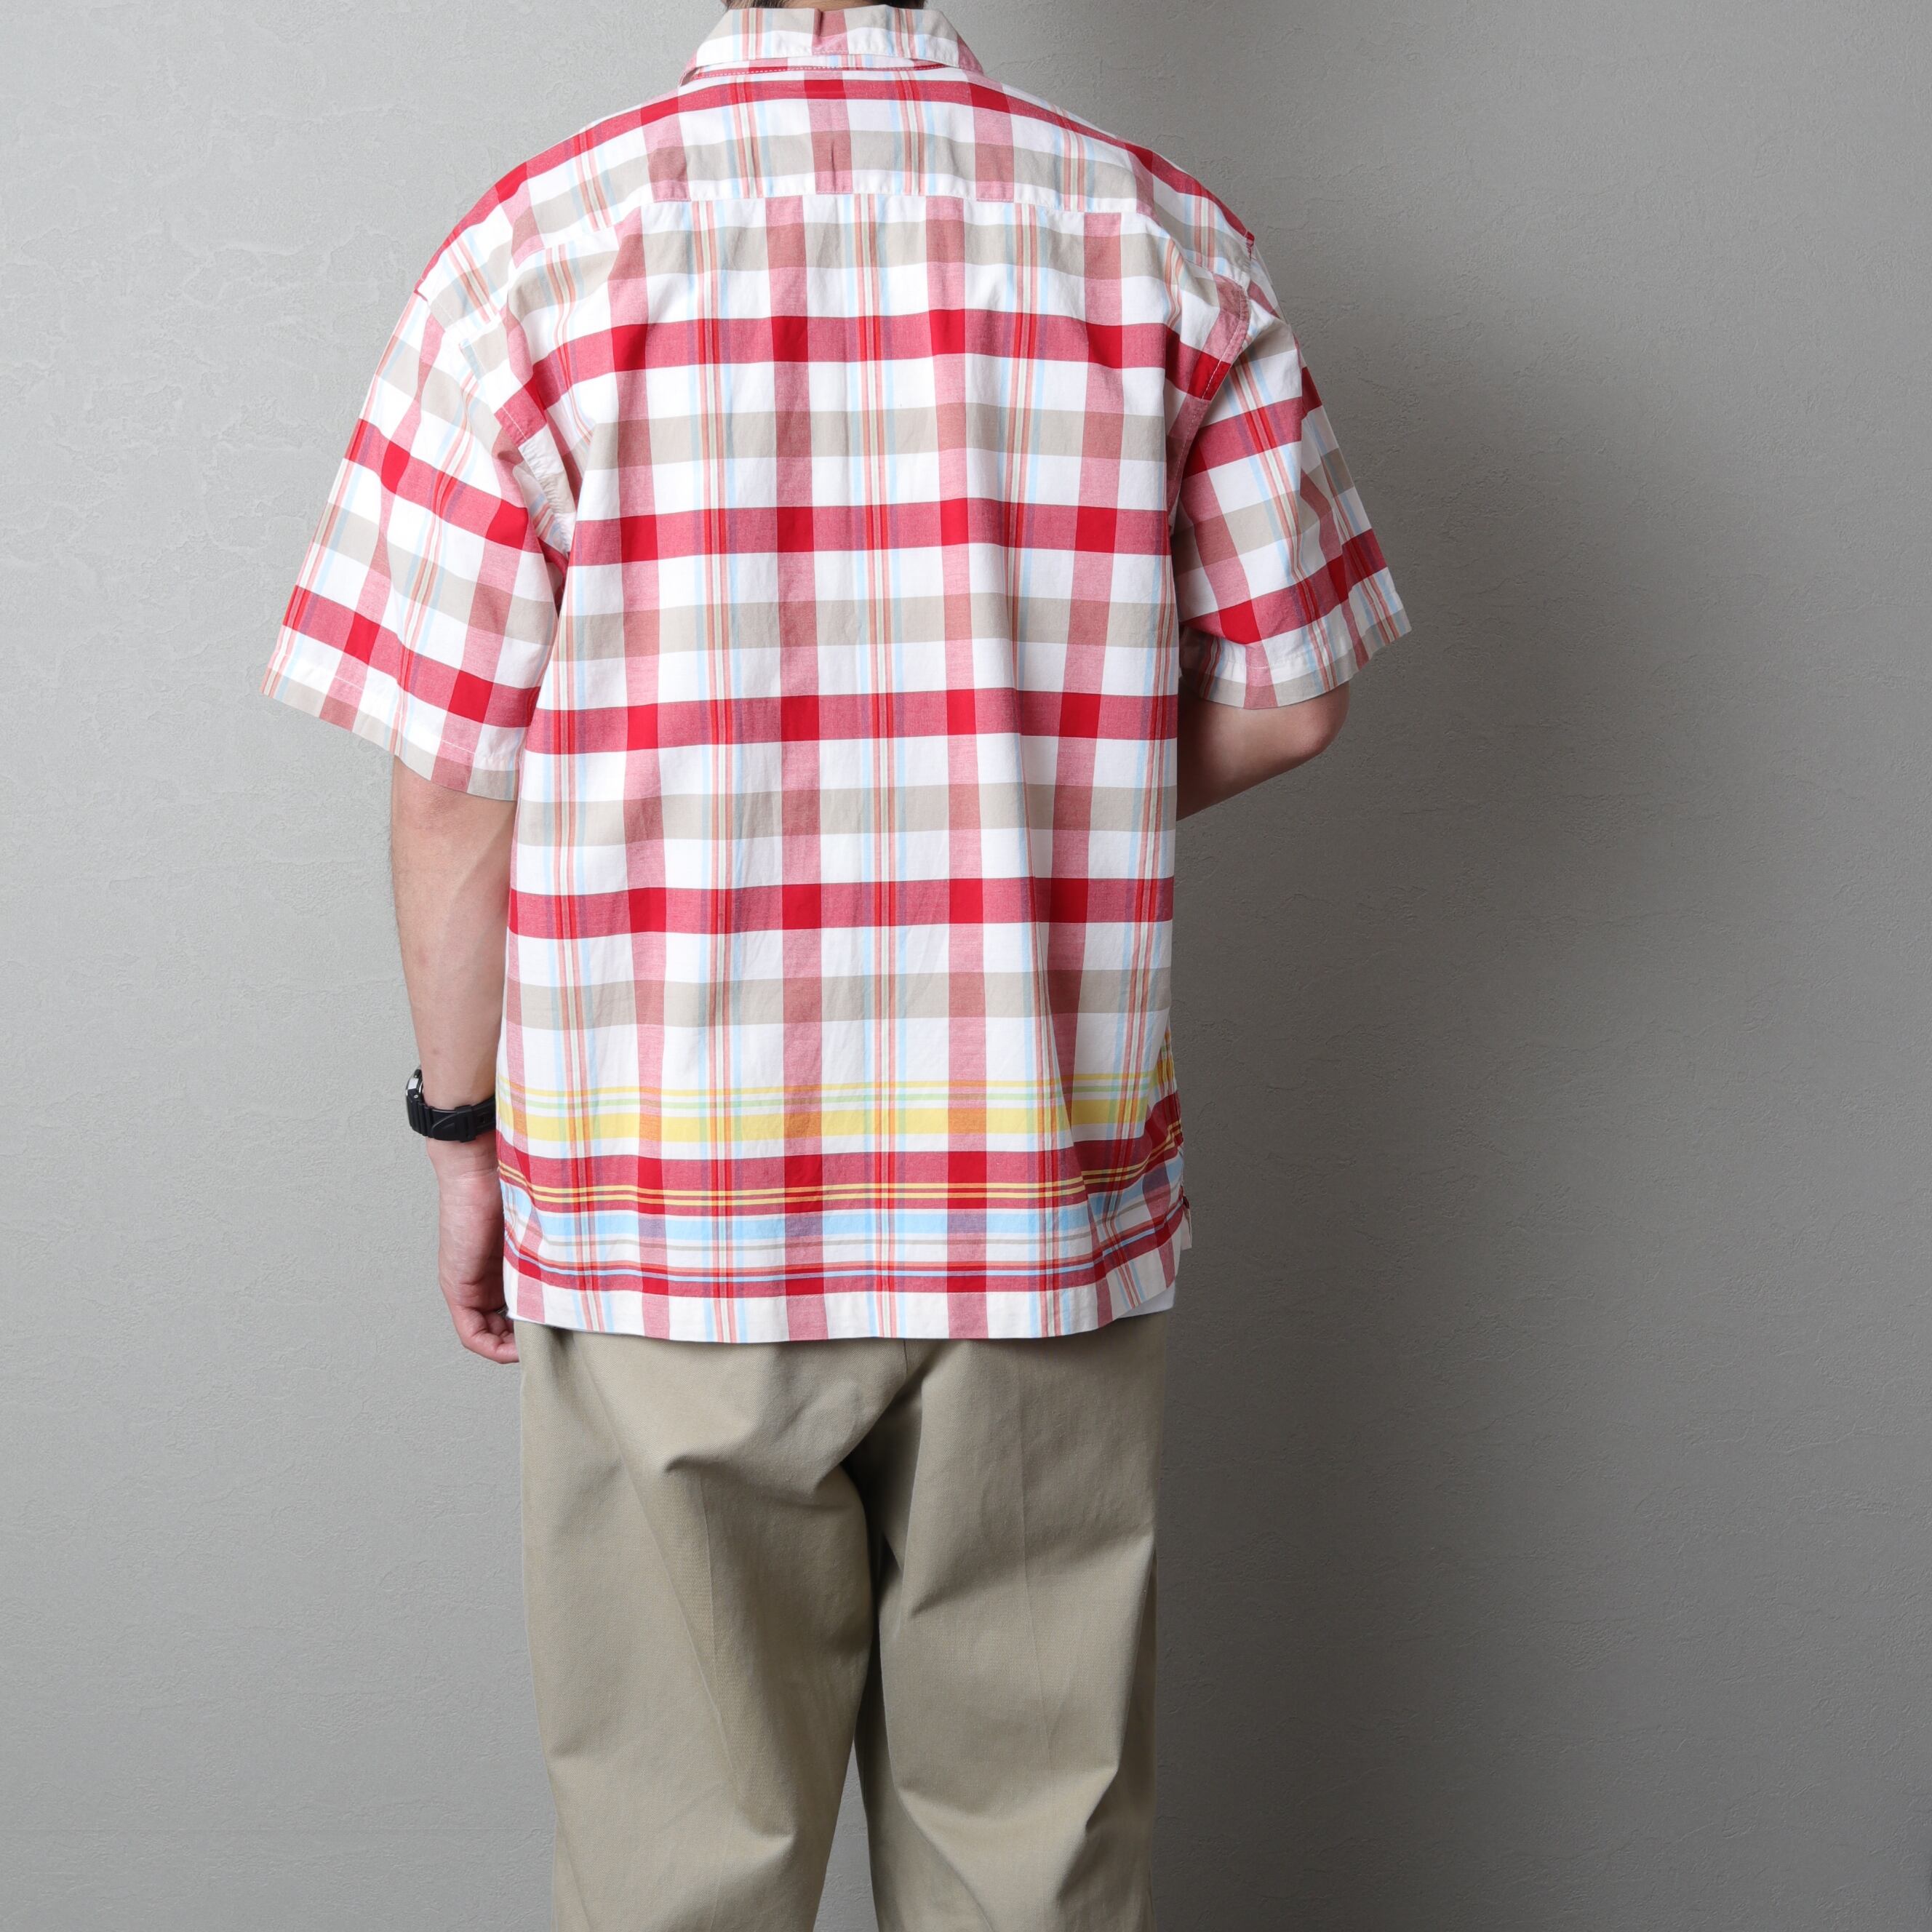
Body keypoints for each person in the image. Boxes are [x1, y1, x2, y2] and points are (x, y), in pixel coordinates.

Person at [260, 3, 1409, 1925]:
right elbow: (1292, 703)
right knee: (1034, 1865)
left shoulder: (534, 254)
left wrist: (462, 1132)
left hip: (665, 1203)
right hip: (1032, 1188)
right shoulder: (1162, 243)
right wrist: (1027, 810)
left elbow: (453, 786)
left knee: (679, 1872)